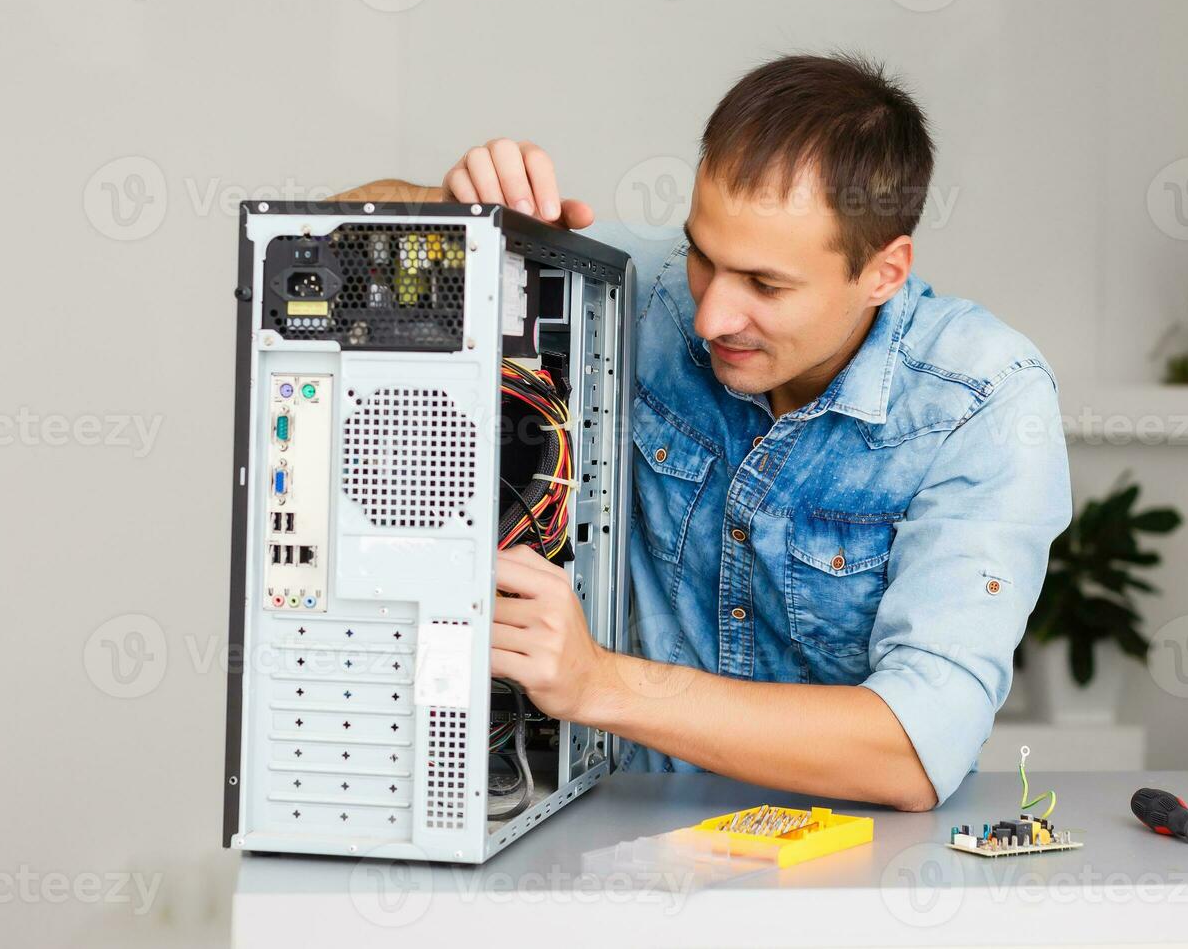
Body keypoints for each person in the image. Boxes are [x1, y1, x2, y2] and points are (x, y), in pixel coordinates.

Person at [335, 53, 1071, 811]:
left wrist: (601, 683)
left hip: (861, 872)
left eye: (764, 285)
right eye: (701, 255)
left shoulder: (983, 401)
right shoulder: (643, 292)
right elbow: (317, 253)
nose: (713, 315)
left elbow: (916, 749)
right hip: (619, 844)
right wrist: (452, 208)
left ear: (884, 272)